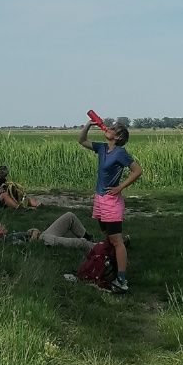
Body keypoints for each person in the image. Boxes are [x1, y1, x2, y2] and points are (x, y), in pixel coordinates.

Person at [78, 119, 141, 292]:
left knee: (116, 240)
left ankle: (121, 280)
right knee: (107, 235)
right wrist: (89, 125)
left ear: (118, 136)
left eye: (112, 128)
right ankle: (110, 264)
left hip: (111, 202)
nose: (107, 128)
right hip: (100, 199)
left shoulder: (120, 153)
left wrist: (120, 187)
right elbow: (81, 141)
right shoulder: (102, 148)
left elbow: (137, 170)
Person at [0, 211, 97, 250]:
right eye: (2, 226)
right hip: (43, 241)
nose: (4, 226)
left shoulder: (11, 235)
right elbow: (28, 248)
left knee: (69, 216)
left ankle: (89, 239)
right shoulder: (8, 241)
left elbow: (26, 238)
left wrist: (30, 231)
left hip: (43, 235)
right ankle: (94, 247)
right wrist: (34, 234)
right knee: (76, 242)